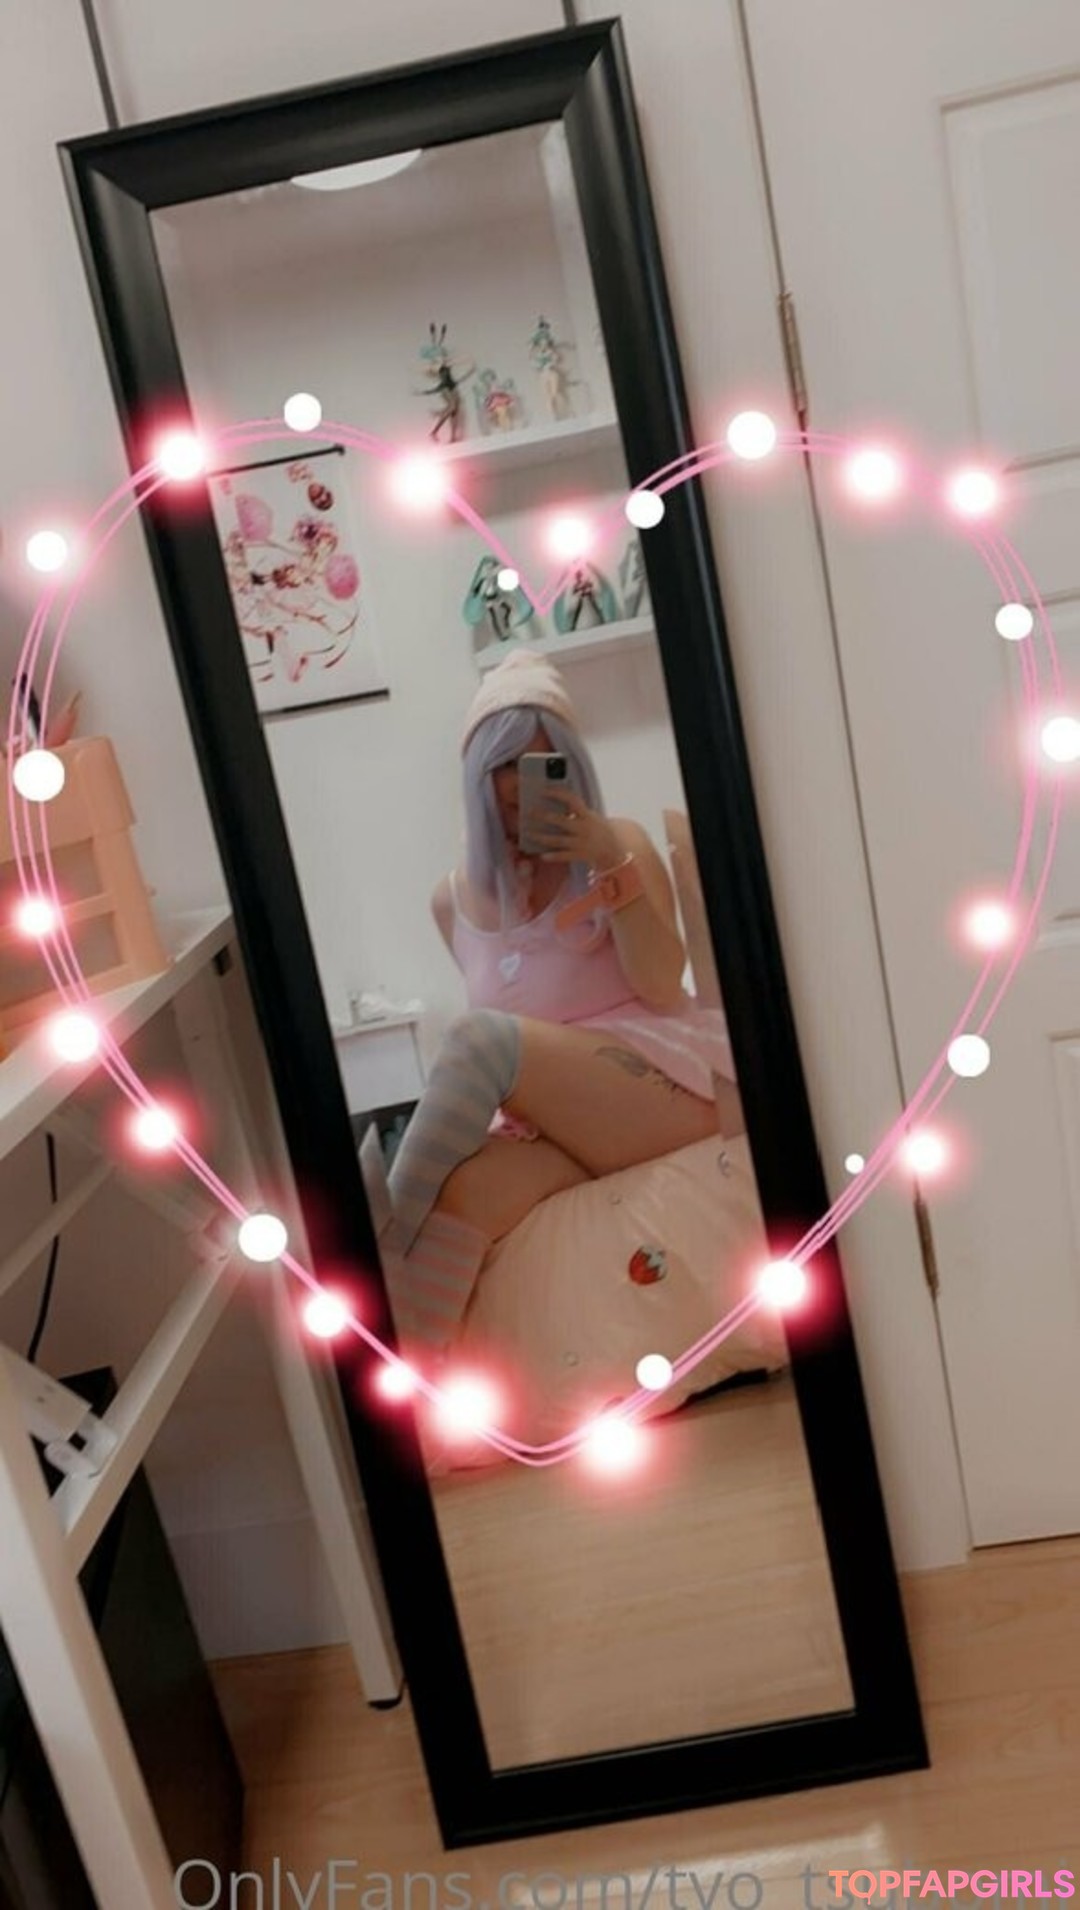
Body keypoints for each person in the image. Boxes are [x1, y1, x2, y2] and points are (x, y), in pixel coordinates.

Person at [385, 651, 744, 1364]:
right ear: (475, 776)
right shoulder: (451, 900)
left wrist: (611, 863)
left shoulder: (621, 845)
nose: (521, 785)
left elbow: (662, 985)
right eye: (503, 766)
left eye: (541, 764)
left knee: (478, 1041)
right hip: (557, 1117)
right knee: (466, 1197)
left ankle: (367, 1248)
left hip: (665, 1088)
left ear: (572, 768)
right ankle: (403, 1385)